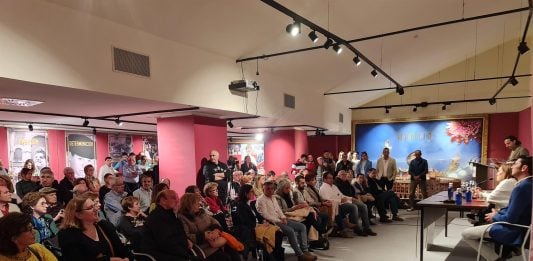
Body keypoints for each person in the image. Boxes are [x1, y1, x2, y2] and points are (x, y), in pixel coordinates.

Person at [462, 156, 532, 260]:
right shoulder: (528, 184)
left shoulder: (521, 188)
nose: (512, 166)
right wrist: (499, 212)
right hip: (522, 229)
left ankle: (495, 259)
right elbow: (512, 209)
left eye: (515, 164)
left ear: (524, 168)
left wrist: (495, 216)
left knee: (465, 234)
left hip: (512, 230)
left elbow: (510, 218)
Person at [58, 194, 131, 261]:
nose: (96, 209)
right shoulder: (67, 234)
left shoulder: (104, 226)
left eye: (94, 206)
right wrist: (109, 260)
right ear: (78, 214)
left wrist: (127, 258)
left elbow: (121, 248)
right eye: (90, 208)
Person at [256, 181, 316, 261]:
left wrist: (283, 217)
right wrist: (279, 220)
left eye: (272, 189)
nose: (270, 190)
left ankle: (305, 251)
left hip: (281, 219)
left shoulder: (273, 197)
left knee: (302, 227)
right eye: (268, 189)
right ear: (263, 189)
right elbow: (265, 215)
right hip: (272, 222)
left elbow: (278, 210)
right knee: (290, 231)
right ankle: (300, 255)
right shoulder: (260, 200)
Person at [178, 193, 240, 261]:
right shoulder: (182, 218)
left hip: (215, 239)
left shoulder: (201, 212)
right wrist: (204, 236)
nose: (199, 205)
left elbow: (214, 221)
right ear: (189, 205)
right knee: (224, 257)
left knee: (233, 251)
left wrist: (216, 230)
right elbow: (186, 236)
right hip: (203, 246)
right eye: (196, 203)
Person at [143, 189, 193, 260]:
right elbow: (166, 243)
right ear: (163, 200)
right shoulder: (157, 217)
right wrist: (186, 255)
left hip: (178, 252)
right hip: (163, 254)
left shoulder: (170, 214)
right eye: (174, 198)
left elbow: (180, 232)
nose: (177, 201)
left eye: (177, 198)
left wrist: (187, 240)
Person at [334, 171, 376, 235]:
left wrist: (355, 198)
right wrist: (352, 198)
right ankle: (357, 228)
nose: (344, 176)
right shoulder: (337, 184)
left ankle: (367, 228)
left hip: (350, 199)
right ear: (338, 176)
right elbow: (341, 195)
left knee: (364, 206)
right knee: (355, 207)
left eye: (345, 174)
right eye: (343, 175)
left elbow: (352, 192)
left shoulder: (346, 182)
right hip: (343, 201)